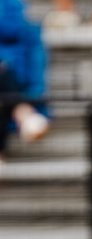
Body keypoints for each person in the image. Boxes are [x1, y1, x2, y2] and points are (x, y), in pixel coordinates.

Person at [1, 0, 50, 156]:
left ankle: (22, 108)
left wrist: (33, 95)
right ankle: (23, 111)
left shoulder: (28, 33)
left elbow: (37, 66)